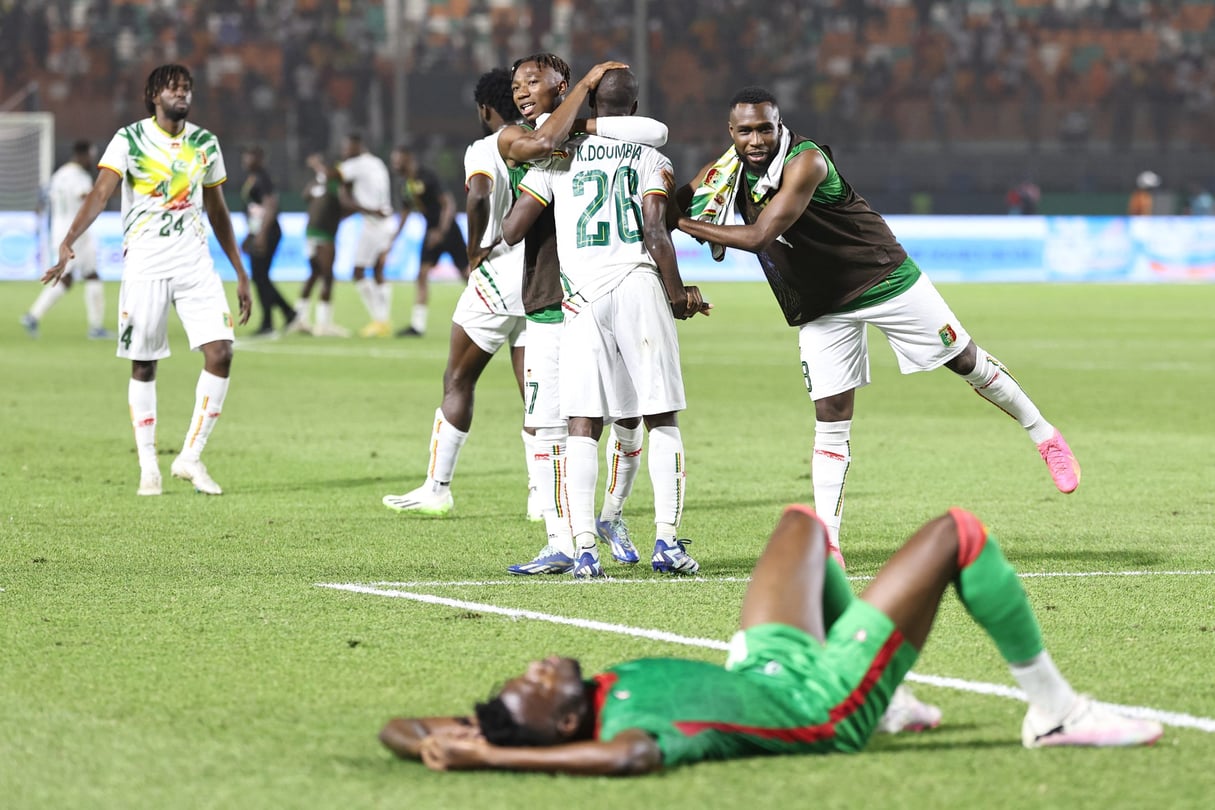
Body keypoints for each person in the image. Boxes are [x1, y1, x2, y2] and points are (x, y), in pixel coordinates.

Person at [380, 504, 1164, 774]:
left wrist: (452, 739)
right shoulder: (625, 732)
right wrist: (491, 755)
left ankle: (890, 699)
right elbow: (631, 762)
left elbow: (397, 730)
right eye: (536, 684)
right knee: (955, 536)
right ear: (557, 728)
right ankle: (1054, 711)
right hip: (815, 704)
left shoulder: (573, 709)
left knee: (803, 527)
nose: (538, 666)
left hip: (769, 666)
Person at [672, 87, 1080, 563]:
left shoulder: (806, 162)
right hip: (823, 305)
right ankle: (828, 544)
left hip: (881, 276)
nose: (757, 139)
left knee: (966, 359)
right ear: (731, 133)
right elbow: (669, 204)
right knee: (830, 418)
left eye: (766, 127)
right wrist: (666, 198)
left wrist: (681, 221)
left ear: (780, 124)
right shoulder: (725, 172)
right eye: (746, 131)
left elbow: (760, 235)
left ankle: (1045, 436)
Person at [501, 67, 710, 578]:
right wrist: (678, 293)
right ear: (634, 109)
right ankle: (666, 542)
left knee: (581, 425)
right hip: (637, 284)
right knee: (659, 415)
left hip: (580, 296)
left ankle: (585, 550)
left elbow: (512, 228)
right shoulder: (652, 157)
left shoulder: (559, 155)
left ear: (592, 106)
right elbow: (657, 233)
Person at [42, 63, 251, 496]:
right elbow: (101, 192)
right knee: (143, 363)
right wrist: (68, 240)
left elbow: (217, 210)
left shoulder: (205, 143)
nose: (183, 94)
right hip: (146, 264)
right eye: (174, 88)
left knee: (222, 353)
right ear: (154, 94)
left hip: (195, 265)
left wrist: (240, 269)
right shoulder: (130, 139)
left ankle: (190, 457)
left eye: (188, 88)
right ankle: (148, 466)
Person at [382, 69, 535, 519]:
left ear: (485, 109)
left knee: (458, 380)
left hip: (496, 275)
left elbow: (477, 195)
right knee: (536, 393)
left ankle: (438, 487)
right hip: (539, 280)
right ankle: (541, 497)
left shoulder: (485, 148)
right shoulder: (542, 145)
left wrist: (472, 252)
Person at [21, 139, 114, 340]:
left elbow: (44, 199)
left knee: (78, 276)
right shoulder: (79, 177)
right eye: (90, 155)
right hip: (76, 231)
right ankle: (94, 327)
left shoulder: (59, 175)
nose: (92, 159)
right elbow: (85, 198)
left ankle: (34, 316)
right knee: (86, 275)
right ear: (83, 155)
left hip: (58, 229)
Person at [390, 144, 471, 338]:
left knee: (466, 274)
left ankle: (489, 310)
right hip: (430, 231)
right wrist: (392, 240)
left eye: (397, 159)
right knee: (422, 274)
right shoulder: (404, 185)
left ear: (408, 158)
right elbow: (405, 214)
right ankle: (417, 325)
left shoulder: (428, 176)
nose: (394, 164)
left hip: (449, 229)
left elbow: (448, 203)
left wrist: (442, 231)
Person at [334, 133, 396, 337]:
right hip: (386, 221)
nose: (344, 151)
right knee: (378, 271)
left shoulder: (358, 164)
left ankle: (379, 320)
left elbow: (335, 175)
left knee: (359, 271)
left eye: (347, 147)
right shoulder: (377, 162)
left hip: (374, 225)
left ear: (357, 145)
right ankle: (383, 321)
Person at [239, 145, 301, 337]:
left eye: (251, 157)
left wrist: (262, 235)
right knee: (260, 277)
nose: (247, 160)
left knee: (260, 276)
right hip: (259, 232)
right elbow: (254, 210)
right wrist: (250, 235)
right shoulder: (253, 179)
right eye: (246, 156)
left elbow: (270, 206)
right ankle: (288, 313)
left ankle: (269, 322)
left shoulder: (262, 178)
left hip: (269, 232)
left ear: (260, 160)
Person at [292, 153, 349, 337]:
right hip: (324, 235)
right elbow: (346, 204)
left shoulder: (318, 184)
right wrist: (369, 210)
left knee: (314, 274)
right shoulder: (334, 186)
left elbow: (306, 195)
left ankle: (299, 318)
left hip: (310, 233)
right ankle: (323, 324)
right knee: (327, 276)